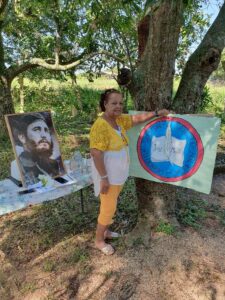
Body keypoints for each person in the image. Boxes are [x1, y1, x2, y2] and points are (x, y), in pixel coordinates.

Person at [90, 89, 169, 255]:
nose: (118, 106)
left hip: (117, 176)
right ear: (105, 104)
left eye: (120, 103)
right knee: (108, 209)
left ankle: (105, 231)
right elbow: (96, 153)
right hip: (108, 177)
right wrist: (104, 178)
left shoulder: (118, 120)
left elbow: (135, 119)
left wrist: (156, 113)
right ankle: (98, 241)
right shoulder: (101, 125)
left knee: (111, 205)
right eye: (114, 103)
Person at [11, 112, 64, 186]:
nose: (44, 135)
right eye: (36, 129)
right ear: (22, 137)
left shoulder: (54, 164)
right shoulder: (18, 166)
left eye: (46, 130)